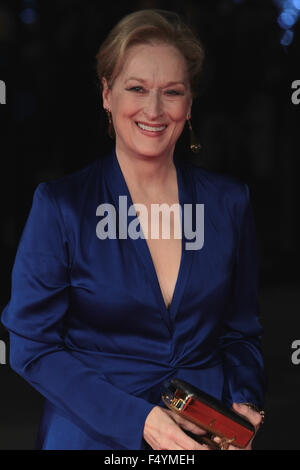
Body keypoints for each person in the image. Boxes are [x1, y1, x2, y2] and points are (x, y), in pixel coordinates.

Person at [1, 9, 265, 450]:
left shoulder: (230, 202)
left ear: (189, 102)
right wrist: (140, 420)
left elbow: (241, 332)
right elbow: (32, 347)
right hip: (89, 435)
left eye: (172, 92)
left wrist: (243, 401)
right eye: (137, 89)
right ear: (107, 94)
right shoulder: (60, 206)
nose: (154, 109)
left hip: (203, 437)